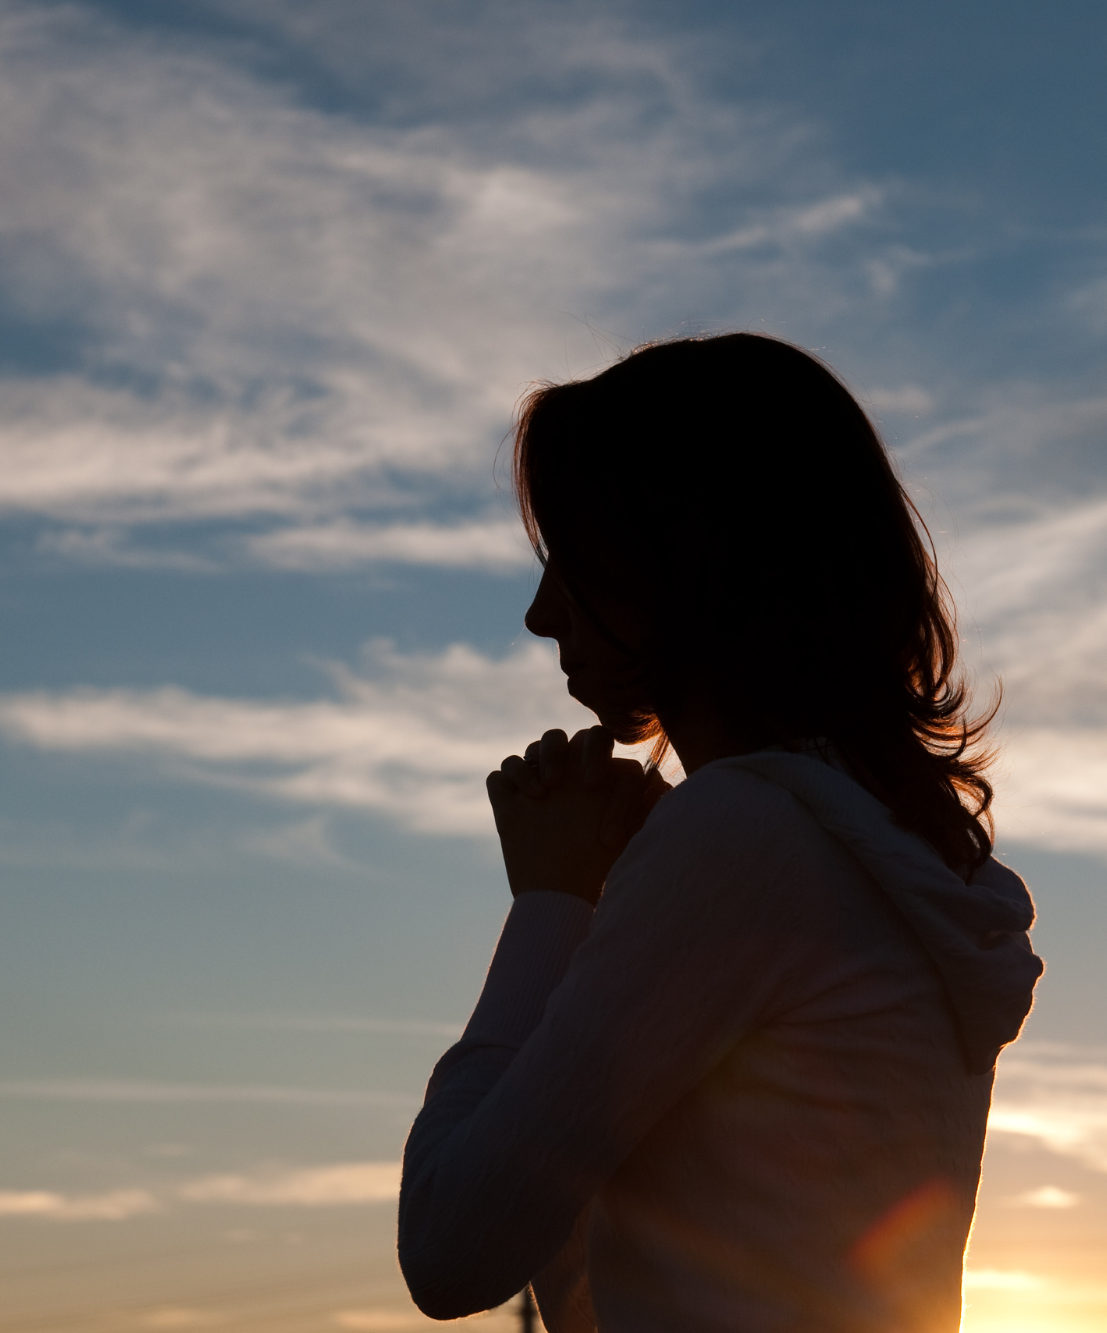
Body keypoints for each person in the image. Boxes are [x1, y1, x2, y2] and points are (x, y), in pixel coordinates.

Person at [397, 334, 1043, 1333]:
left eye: (573, 559)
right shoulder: (878, 838)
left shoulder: (742, 834)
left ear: (680, 555)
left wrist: (549, 899)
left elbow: (450, 1242)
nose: (538, 611)